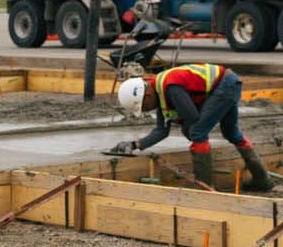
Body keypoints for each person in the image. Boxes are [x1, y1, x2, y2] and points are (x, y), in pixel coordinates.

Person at [105, 63, 272, 192]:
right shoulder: (160, 91)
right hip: (228, 83)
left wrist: (180, 120)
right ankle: (262, 180)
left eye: (144, 107)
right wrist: (134, 145)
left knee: (197, 132)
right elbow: (162, 131)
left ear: (147, 96)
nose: (146, 111)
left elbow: (192, 117)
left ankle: (205, 188)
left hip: (224, 85)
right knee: (231, 132)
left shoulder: (170, 87)